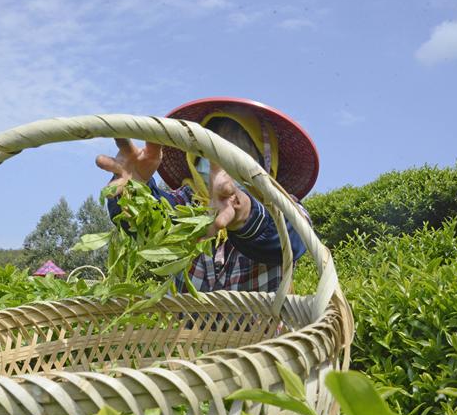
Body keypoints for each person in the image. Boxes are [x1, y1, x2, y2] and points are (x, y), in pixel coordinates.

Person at [97, 97, 318, 293]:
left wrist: (242, 213)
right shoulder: (188, 203)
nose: (220, 165)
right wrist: (136, 191)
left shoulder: (283, 206)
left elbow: (290, 239)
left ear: (264, 165)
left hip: (264, 337)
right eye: (208, 153)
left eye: (235, 153)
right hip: (189, 338)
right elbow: (154, 224)